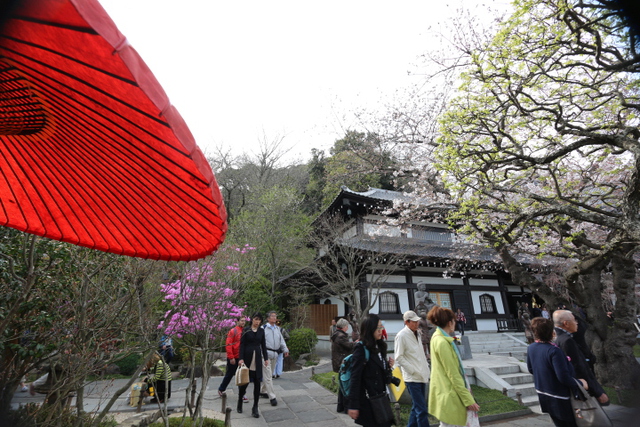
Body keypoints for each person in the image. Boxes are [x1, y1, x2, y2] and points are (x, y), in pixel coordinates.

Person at [527, 317, 586, 427]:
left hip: (544, 393)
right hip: (559, 397)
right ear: (551, 332)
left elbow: (531, 369)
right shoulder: (554, 351)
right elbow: (563, 377)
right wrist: (581, 383)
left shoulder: (531, 347)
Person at [427, 306, 479, 427]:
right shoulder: (442, 342)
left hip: (446, 390)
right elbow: (453, 374)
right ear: (450, 323)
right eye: (454, 321)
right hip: (451, 393)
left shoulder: (437, 338)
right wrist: (468, 399)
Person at [347, 314, 395, 427]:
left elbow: (380, 374)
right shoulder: (361, 348)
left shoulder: (379, 346)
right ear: (369, 329)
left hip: (381, 399)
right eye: (377, 328)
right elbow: (355, 378)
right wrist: (353, 405)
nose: (380, 331)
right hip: (369, 401)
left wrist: (387, 366)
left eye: (381, 327)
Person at [553, 310, 609, 405]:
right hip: (582, 387)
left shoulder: (559, 338)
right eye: (574, 320)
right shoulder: (567, 341)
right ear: (566, 323)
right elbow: (579, 368)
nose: (576, 323)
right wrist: (597, 391)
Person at [395, 310, 431, 427]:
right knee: (421, 409)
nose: (417, 323)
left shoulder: (417, 333)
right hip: (412, 378)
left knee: (417, 408)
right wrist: (412, 370)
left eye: (417, 321)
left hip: (422, 375)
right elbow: (398, 357)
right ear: (406, 322)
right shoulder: (401, 335)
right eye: (414, 322)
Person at [238, 312, 269, 418]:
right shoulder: (246, 330)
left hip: (257, 359)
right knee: (245, 382)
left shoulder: (261, 330)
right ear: (252, 320)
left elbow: (263, 345)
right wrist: (240, 358)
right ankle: (240, 400)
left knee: (257, 382)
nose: (257, 322)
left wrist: (266, 358)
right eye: (256, 319)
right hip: (247, 357)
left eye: (259, 320)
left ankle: (255, 407)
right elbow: (242, 345)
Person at [260, 311, 288, 406]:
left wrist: (285, 349)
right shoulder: (263, 328)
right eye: (272, 316)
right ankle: (272, 396)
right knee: (268, 376)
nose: (274, 318)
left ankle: (263, 390)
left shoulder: (277, 329)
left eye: (275, 316)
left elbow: (282, 340)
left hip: (275, 354)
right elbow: (259, 342)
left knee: (270, 374)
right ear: (268, 318)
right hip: (265, 355)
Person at [218, 317, 248, 403]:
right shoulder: (233, 331)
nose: (243, 322)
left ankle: (242, 394)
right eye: (242, 321)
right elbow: (228, 344)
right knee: (230, 374)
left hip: (241, 356)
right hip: (234, 357)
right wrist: (231, 357)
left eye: (244, 321)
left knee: (241, 375)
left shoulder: (245, 331)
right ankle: (221, 389)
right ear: (237, 321)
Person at [331, 317, 355, 413]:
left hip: (338, 361)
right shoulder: (341, 336)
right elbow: (349, 346)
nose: (347, 328)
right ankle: (346, 408)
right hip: (343, 363)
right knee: (346, 385)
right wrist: (356, 343)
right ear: (344, 326)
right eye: (347, 326)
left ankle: (340, 407)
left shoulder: (336, 334)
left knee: (342, 386)